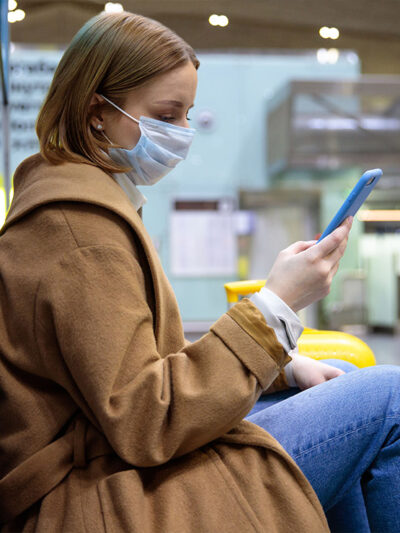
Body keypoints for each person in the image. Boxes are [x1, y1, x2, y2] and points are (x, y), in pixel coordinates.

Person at [0, 10, 399, 533]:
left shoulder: (81, 207)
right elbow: (146, 419)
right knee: (390, 398)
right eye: (167, 115)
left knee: (336, 378)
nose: (183, 133)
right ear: (97, 110)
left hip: (113, 458)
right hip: (93, 494)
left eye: (187, 114)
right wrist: (275, 307)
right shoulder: (81, 233)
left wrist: (282, 363)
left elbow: (139, 370)